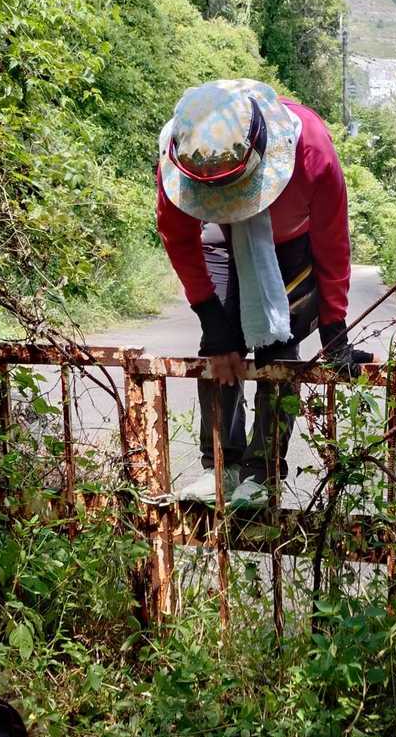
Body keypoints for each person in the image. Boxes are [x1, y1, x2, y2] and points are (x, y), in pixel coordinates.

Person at [155, 78, 367, 510]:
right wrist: (211, 316)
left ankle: (263, 472)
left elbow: (332, 241)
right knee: (220, 347)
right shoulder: (180, 155)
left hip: (291, 242)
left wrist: (334, 329)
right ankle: (221, 465)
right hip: (218, 238)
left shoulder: (311, 151)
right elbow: (179, 238)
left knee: (279, 345)